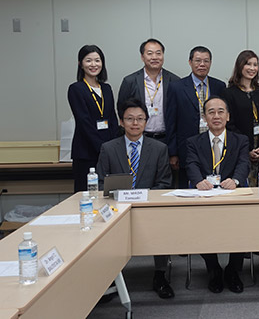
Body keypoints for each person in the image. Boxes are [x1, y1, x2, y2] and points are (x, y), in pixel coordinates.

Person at [96, 98, 174, 299]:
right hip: (117, 208)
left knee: (162, 223)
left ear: (146, 122)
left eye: (140, 119)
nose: (135, 123)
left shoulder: (159, 148)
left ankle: (160, 274)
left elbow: (164, 183)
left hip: (148, 207)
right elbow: (100, 183)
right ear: (121, 122)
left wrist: (144, 199)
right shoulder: (109, 148)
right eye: (129, 119)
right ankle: (110, 277)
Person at [185, 96, 249, 294]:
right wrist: (198, 180)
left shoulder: (241, 140)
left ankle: (233, 269)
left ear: (228, 116)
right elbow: (191, 164)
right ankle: (213, 268)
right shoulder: (193, 142)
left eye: (221, 111)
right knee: (201, 226)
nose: (216, 116)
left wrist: (236, 180)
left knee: (243, 224)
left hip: (233, 195)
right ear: (204, 117)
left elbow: (244, 164)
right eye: (211, 112)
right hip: (205, 195)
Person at [165, 46, 226, 188]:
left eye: (206, 61)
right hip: (186, 147)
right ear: (190, 62)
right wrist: (173, 153)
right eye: (198, 60)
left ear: (211, 63)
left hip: (214, 145)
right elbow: (171, 121)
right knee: (189, 186)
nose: (202, 64)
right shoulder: (177, 87)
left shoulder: (219, 86)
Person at [68, 44, 118, 192]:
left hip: (108, 149)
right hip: (86, 152)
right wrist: (103, 148)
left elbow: (113, 119)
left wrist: (113, 146)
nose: (93, 64)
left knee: (108, 193)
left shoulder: (106, 88)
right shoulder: (76, 89)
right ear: (80, 64)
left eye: (97, 60)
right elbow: (84, 122)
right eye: (88, 60)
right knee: (86, 194)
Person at [225, 50, 259, 186]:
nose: (252, 68)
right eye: (248, 64)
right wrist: (247, 149)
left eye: (255, 65)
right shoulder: (229, 93)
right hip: (240, 150)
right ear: (240, 66)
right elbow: (229, 125)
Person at [117, 38, 180, 143]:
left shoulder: (175, 81)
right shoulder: (130, 81)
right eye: (150, 53)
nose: (154, 57)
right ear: (142, 57)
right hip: (139, 139)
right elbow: (121, 109)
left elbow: (179, 114)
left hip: (167, 139)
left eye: (158, 53)